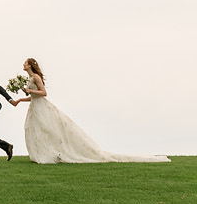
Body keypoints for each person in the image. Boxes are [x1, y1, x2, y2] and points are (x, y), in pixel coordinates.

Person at [15, 57, 169, 164]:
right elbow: (34, 97)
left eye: (25, 63)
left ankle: (49, 155)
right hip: (35, 107)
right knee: (32, 129)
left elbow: (43, 93)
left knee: (46, 130)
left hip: (42, 108)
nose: (23, 64)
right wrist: (21, 99)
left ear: (30, 65)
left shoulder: (35, 77)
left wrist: (30, 91)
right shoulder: (30, 79)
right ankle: (41, 155)